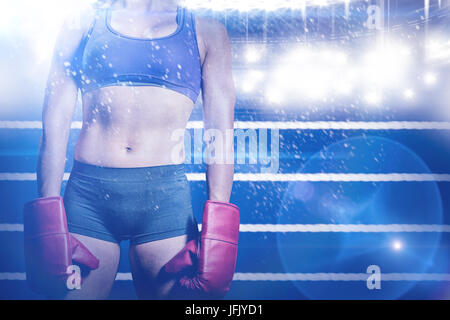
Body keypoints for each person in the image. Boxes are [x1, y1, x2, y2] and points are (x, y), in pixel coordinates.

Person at [24, 0, 239, 300]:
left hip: (164, 203)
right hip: (88, 200)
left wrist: (219, 236)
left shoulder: (207, 32)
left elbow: (220, 135)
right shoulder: (82, 23)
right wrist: (48, 219)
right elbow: (54, 125)